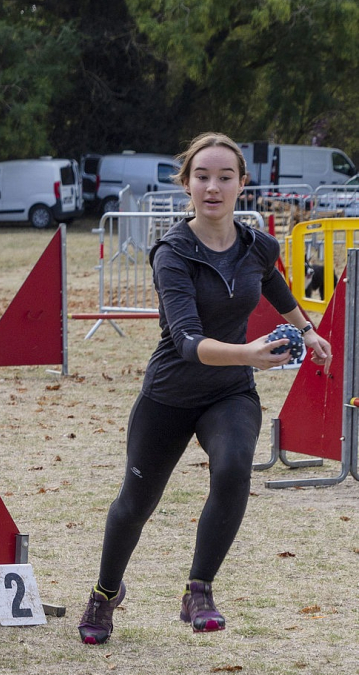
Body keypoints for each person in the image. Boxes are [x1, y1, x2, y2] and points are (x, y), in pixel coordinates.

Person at [77, 132, 333, 646]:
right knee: (135, 502)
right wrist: (252, 354)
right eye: (201, 177)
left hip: (230, 393)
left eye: (224, 177)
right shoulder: (171, 252)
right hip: (170, 392)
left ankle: (199, 589)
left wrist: (306, 328)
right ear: (186, 184)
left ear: (242, 184)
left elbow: (274, 282)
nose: (212, 187)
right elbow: (189, 341)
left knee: (235, 466)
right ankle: (105, 594)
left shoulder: (257, 243)